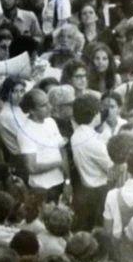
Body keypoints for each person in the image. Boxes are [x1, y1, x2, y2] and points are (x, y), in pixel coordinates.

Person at [71, 94, 113, 231]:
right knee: (99, 229)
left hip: (85, 188)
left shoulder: (77, 135)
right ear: (95, 114)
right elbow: (111, 168)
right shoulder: (93, 142)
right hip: (99, 191)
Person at [17, 88, 67, 201]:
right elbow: (31, 167)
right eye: (44, 105)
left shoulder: (51, 122)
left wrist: (68, 182)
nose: (50, 107)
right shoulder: (25, 132)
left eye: (48, 102)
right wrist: (58, 164)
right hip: (42, 189)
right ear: (32, 110)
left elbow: (62, 150)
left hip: (60, 183)